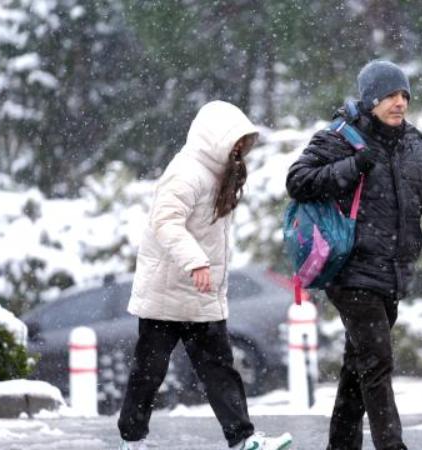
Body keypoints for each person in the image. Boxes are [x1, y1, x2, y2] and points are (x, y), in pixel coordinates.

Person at [286, 60, 422, 450]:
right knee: (378, 361)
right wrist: (351, 166)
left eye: (404, 96)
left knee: (359, 367)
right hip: (349, 271)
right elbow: (297, 181)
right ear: (370, 99)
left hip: (392, 274)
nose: (399, 103)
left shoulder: (415, 146)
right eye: (390, 96)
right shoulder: (340, 138)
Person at [118, 101, 293, 450]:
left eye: (244, 142)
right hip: (166, 294)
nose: (241, 149)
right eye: (235, 141)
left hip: (201, 294)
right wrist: (196, 262)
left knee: (220, 370)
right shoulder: (185, 172)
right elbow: (165, 222)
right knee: (149, 373)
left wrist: (207, 272)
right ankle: (132, 440)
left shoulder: (220, 175)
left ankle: (243, 440)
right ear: (215, 138)